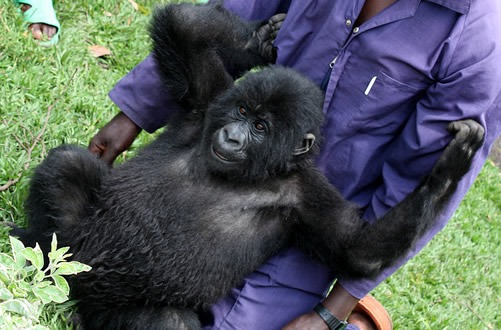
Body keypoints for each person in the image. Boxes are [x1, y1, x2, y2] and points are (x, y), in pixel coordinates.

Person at [88, 0, 501, 329]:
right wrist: (133, 113)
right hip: (232, 154)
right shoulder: (223, 121)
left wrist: (331, 312)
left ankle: (357, 324)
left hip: (319, 222)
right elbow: (226, 14)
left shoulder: (478, 41)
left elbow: (404, 195)